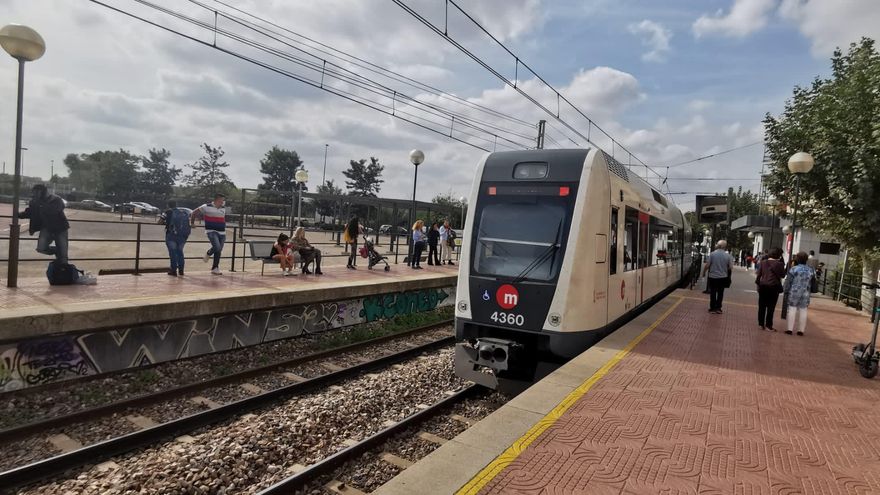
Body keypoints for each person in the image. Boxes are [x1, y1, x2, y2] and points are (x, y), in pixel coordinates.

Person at [19, 184, 69, 264]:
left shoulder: (56, 199)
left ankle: (64, 268)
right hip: (46, 228)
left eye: (35, 192)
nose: (34, 194)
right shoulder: (36, 202)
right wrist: (20, 215)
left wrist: (39, 203)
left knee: (63, 256)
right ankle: (57, 251)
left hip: (60, 229)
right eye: (33, 192)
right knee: (41, 248)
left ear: (42, 192)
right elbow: (31, 212)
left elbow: (53, 211)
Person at [192, 193, 227, 275]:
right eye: (221, 200)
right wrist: (192, 223)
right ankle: (209, 253)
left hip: (222, 232)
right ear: (216, 200)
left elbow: (222, 219)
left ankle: (215, 268)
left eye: (223, 200)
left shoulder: (223, 208)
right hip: (211, 231)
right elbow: (194, 212)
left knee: (218, 250)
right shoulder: (206, 206)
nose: (222, 202)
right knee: (217, 247)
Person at [783, 251, 815, 336]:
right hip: (806, 292)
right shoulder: (811, 269)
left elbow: (788, 281)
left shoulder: (794, 269)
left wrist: (785, 290)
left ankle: (790, 329)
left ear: (797, 259)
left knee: (792, 309)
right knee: (803, 310)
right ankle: (801, 330)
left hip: (794, 291)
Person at [755, 247, 785, 331]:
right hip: (774, 287)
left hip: (763, 286)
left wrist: (758, 285)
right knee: (771, 307)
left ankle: (761, 324)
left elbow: (758, 275)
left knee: (761, 306)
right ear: (778, 255)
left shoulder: (763, 262)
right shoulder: (779, 264)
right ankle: (768, 325)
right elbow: (783, 275)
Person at [161, 200, 191, 276]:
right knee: (180, 252)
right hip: (182, 236)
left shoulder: (167, 212)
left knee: (173, 253)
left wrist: (166, 223)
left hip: (171, 235)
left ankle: (173, 270)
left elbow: (159, 221)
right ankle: (181, 270)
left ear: (168, 205)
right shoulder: (183, 212)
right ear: (176, 205)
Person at [702, 240, 733, 314]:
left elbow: (707, 265)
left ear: (718, 246)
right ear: (724, 247)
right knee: (720, 293)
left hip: (713, 277)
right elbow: (730, 267)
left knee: (713, 292)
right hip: (723, 277)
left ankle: (712, 308)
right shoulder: (728, 256)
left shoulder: (712, 254)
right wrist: (724, 269)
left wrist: (704, 273)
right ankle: (718, 308)